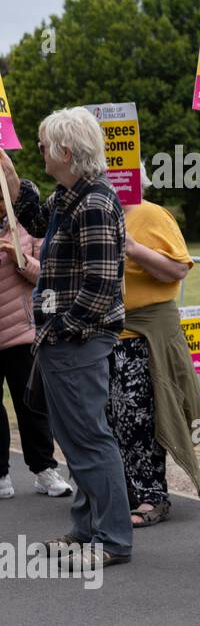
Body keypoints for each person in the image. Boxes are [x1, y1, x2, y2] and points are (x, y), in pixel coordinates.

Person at [1, 108, 130, 569]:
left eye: (42, 144)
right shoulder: (70, 197)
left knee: (90, 439)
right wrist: (9, 172)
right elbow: (33, 217)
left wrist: (62, 329)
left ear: (66, 151)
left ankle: (112, 538)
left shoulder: (94, 202)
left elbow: (100, 286)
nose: (38, 150)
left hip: (77, 341)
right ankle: (85, 529)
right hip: (65, 340)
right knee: (75, 440)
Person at [110, 188, 200, 527]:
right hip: (106, 333)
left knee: (139, 417)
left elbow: (177, 270)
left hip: (144, 333)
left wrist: (133, 248)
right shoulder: (95, 213)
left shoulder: (151, 215)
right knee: (109, 418)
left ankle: (152, 496)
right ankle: (118, 492)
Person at [0, 213, 72, 499]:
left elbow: (48, 274)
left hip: (20, 330)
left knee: (31, 403)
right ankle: (1, 474)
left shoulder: (28, 224)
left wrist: (19, 257)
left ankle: (44, 469)